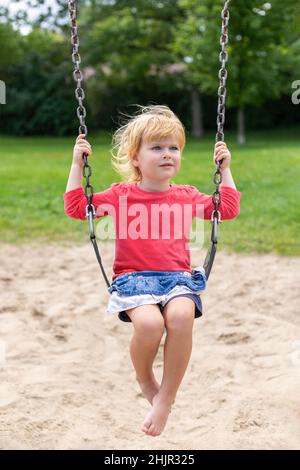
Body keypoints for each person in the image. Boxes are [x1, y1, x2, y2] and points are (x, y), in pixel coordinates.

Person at [64, 105, 242, 437]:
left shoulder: (186, 195)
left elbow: (227, 209)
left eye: (173, 148)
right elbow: (77, 208)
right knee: (149, 324)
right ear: (135, 157)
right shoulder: (120, 195)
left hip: (177, 279)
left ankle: (166, 398)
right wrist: (77, 165)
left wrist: (226, 169)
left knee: (180, 317)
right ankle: (145, 376)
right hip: (132, 279)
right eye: (157, 148)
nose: (167, 155)